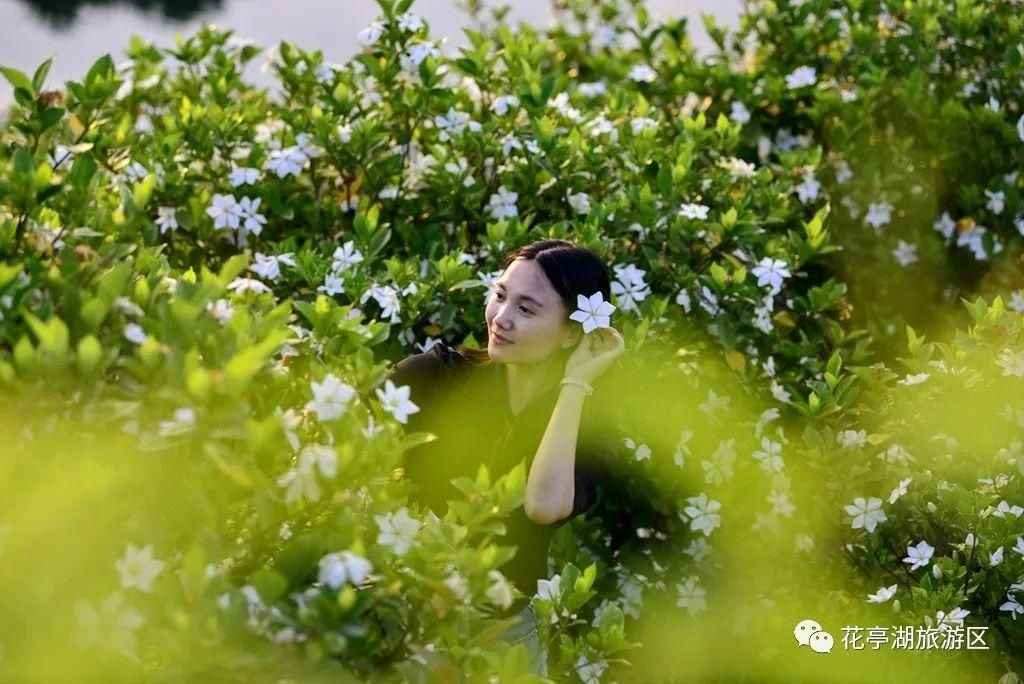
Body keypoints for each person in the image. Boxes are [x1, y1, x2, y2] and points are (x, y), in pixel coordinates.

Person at [385, 239, 626, 676]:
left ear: (571, 332)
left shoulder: (590, 429)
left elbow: (544, 506)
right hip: (401, 622)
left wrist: (576, 385)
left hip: (502, 641)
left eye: (527, 309)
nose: (501, 319)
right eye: (499, 295)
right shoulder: (434, 376)